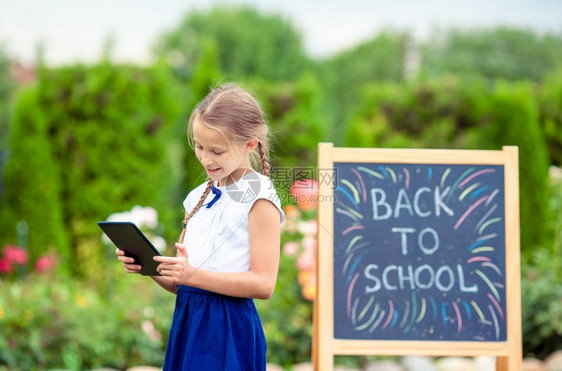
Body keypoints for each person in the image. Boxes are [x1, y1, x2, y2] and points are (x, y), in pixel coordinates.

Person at [116, 83, 284, 370]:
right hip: (189, 324)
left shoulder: (259, 197)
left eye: (217, 151)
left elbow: (264, 284)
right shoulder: (197, 197)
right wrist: (149, 266)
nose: (206, 158)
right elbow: (181, 283)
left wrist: (192, 275)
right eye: (199, 146)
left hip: (229, 329)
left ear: (249, 145)